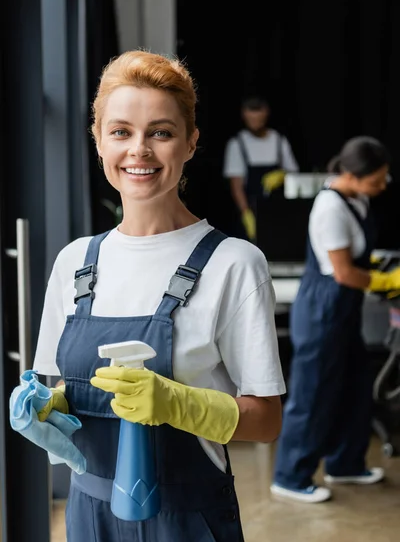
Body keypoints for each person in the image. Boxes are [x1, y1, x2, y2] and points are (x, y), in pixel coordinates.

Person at [28, 50, 285, 541]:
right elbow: (62, 393)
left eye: (161, 132)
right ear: (99, 141)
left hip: (186, 521)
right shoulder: (75, 263)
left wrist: (178, 405)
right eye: (121, 131)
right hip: (88, 518)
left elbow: (267, 420)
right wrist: (44, 407)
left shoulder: (233, 262)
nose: (139, 150)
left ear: (190, 143)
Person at [270, 136, 400, 503]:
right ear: (352, 175)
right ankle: (290, 476)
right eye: (376, 179)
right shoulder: (330, 208)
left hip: (345, 310)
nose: (382, 186)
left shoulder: (357, 198)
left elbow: (356, 256)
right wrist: (386, 280)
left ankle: (345, 463)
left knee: (355, 386)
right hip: (322, 309)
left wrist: (374, 267)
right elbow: (343, 272)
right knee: (313, 395)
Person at [222, 95, 299, 242]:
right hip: (252, 210)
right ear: (244, 114)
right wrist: (246, 214)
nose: (255, 121)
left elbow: (293, 173)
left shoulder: (279, 140)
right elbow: (236, 185)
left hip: (278, 211)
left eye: (259, 115)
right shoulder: (237, 144)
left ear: (266, 113)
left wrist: (282, 175)